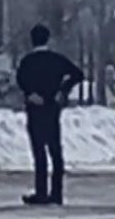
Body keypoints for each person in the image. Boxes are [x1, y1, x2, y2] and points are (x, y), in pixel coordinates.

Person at [15, 23, 84, 206]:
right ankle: (57, 193)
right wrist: (63, 90)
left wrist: (31, 93)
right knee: (55, 151)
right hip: (52, 108)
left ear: (32, 40)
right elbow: (77, 74)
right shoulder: (57, 60)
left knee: (39, 153)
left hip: (35, 108)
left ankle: (41, 192)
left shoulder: (27, 61)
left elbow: (21, 80)